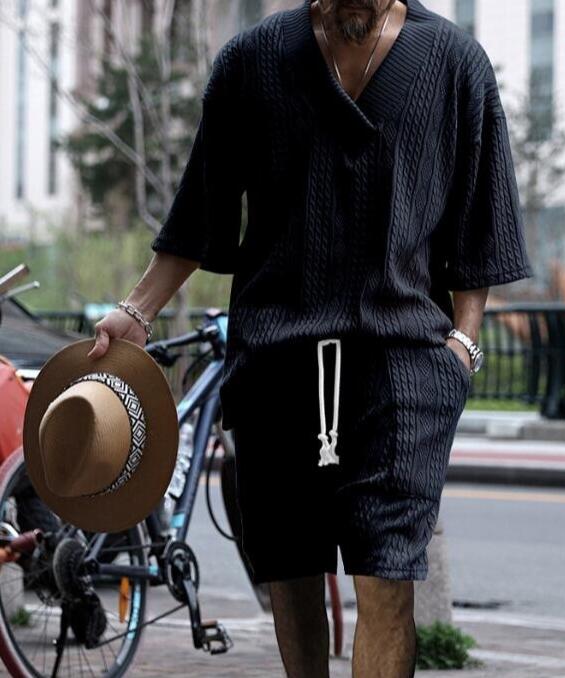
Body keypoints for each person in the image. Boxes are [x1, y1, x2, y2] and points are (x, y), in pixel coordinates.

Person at [89, 0, 534, 675]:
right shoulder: (251, 61)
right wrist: (138, 310)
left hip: (404, 365)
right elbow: (201, 211)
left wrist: (462, 348)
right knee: (290, 573)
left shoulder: (454, 63)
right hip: (275, 360)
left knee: (387, 573)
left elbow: (480, 220)